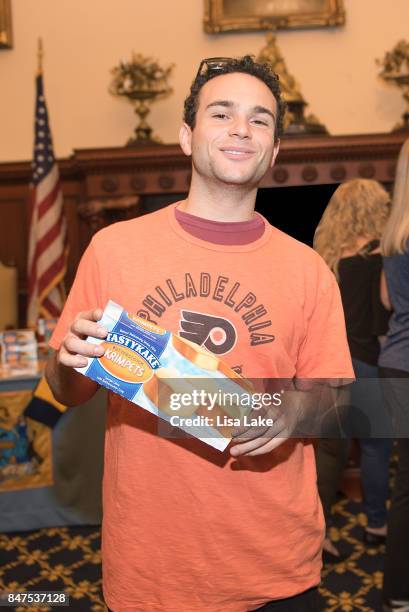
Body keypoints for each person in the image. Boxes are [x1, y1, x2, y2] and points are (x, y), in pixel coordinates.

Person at [46, 55, 354, 612]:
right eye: (222, 112)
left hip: (277, 567)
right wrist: (63, 364)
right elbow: (70, 393)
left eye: (261, 120)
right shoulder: (113, 250)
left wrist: (293, 413)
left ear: (275, 150)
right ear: (187, 136)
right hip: (152, 569)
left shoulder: (308, 269)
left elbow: (338, 405)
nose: (242, 128)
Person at [313, 179, 393, 561]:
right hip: (368, 360)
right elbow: (381, 325)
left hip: (326, 362)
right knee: (377, 448)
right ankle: (376, 522)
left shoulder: (324, 257)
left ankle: (320, 530)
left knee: (329, 453)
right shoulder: (380, 257)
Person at [379, 138, 409, 612]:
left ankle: (398, 592)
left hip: (397, 363)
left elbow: (387, 301)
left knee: (405, 487)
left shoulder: (395, 233)